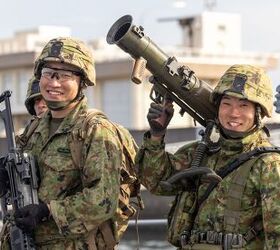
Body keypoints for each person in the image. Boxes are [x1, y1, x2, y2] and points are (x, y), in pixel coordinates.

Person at [0, 37, 138, 249]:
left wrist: (48, 211)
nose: (54, 83)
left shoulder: (95, 130)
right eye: (48, 73)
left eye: (64, 75)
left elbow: (103, 200)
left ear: (82, 81)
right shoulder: (34, 129)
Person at [136, 64, 280, 249]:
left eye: (243, 105)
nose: (233, 113)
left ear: (258, 112)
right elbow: (156, 183)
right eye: (226, 103)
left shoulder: (268, 165)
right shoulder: (200, 152)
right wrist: (157, 135)